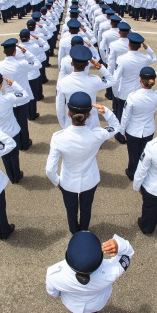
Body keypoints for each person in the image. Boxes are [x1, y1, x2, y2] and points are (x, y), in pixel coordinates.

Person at [46, 92, 120, 234]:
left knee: (71, 210)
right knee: (86, 209)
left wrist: (57, 182)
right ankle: (84, 231)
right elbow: (116, 126)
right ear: (89, 115)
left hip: (67, 182)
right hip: (90, 180)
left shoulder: (58, 137)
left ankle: (74, 231)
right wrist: (105, 111)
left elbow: (49, 169)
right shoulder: (98, 134)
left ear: (69, 114)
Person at [46, 231, 134, 313]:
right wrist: (119, 244)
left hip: (73, 305)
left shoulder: (54, 274)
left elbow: (53, 292)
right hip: (96, 305)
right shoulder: (111, 272)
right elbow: (128, 254)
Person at [120, 67, 157, 181]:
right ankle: (142, 173)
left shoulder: (132, 96)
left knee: (133, 154)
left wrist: (122, 131)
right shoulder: (156, 96)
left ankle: (131, 173)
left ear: (140, 80)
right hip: (148, 130)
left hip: (133, 130)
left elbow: (125, 116)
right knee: (143, 154)